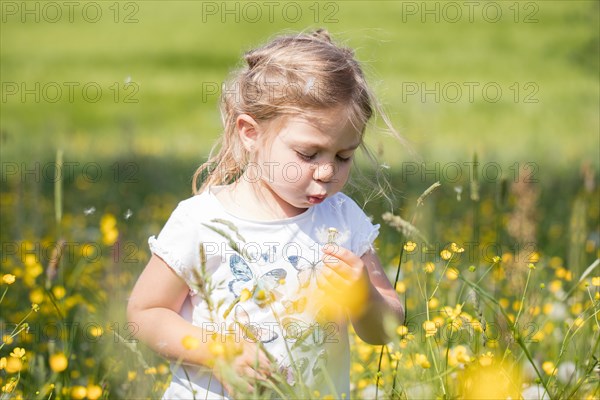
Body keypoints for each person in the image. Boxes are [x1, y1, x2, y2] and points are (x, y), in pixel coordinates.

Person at [127, 28, 404, 399]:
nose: (327, 172)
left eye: (344, 156)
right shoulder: (203, 221)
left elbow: (384, 330)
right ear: (250, 133)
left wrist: (365, 296)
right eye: (309, 154)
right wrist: (219, 351)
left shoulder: (342, 220)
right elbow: (146, 313)